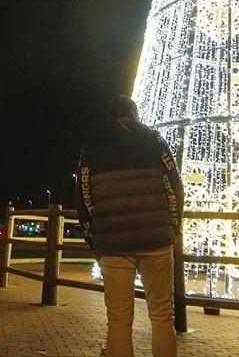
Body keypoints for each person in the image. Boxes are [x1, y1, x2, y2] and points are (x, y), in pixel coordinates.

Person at [76, 95, 183, 357]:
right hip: (156, 237)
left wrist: (94, 236)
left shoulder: (93, 145)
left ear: (110, 116)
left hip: (113, 244)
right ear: (134, 113)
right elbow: (174, 187)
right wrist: (173, 226)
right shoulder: (154, 139)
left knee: (119, 320)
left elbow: (84, 194)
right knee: (161, 317)